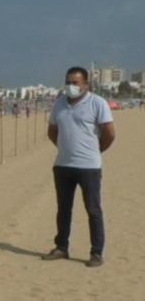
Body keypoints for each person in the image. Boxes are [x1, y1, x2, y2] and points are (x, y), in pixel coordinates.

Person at [41, 67, 115, 267]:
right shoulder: (59, 105)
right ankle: (61, 247)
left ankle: (96, 252)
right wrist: (65, 148)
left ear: (85, 84)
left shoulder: (97, 103)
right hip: (63, 166)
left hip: (89, 167)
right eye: (68, 82)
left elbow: (109, 133)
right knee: (63, 209)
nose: (71, 86)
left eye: (75, 82)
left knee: (93, 210)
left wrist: (95, 151)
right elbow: (52, 131)